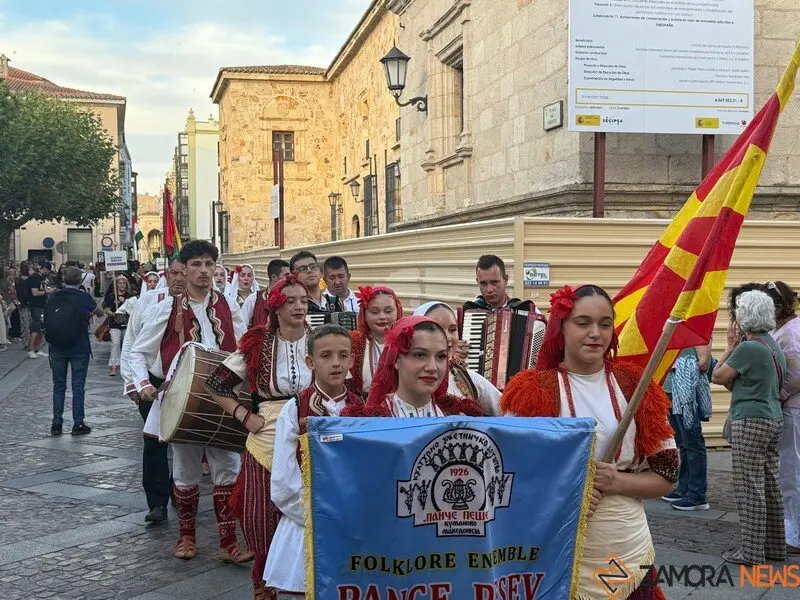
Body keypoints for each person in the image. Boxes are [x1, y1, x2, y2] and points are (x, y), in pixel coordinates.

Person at [501, 284, 677, 599]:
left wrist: (616, 482)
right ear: (562, 328)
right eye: (583, 323)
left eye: (604, 323)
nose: (595, 333)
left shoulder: (635, 385)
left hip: (625, 550)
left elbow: (667, 476)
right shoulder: (533, 392)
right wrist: (571, 488)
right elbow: (509, 478)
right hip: (557, 551)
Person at [129, 240, 250, 563]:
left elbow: (244, 346)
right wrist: (142, 384)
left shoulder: (228, 306)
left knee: (228, 469)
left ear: (216, 268)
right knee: (186, 470)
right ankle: (186, 537)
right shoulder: (165, 309)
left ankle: (228, 542)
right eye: (196, 265)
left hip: (223, 400)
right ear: (184, 269)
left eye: (209, 265)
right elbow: (138, 352)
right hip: (183, 401)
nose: (203, 271)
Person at [205, 272, 313, 600]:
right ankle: (263, 588)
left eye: (304, 300)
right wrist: (243, 415)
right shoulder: (258, 343)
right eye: (290, 301)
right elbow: (216, 385)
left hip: (312, 437)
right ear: (276, 306)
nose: (299, 306)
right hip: (266, 437)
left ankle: (310, 583)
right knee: (259, 518)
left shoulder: (320, 338)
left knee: (310, 515)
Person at [262, 324, 363, 598]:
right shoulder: (294, 408)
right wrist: (318, 516)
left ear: (352, 360)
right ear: (310, 361)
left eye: (343, 356)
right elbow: (283, 480)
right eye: (326, 355)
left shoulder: (363, 409)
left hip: (352, 521)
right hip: (306, 522)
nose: (335, 363)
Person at [713, 289, 787, 565]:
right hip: (772, 417)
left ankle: (752, 551)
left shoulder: (748, 348)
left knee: (749, 486)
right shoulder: (770, 344)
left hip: (751, 420)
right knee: (769, 484)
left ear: (744, 316)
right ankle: (775, 547)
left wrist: (729, 347)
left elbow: (718, 376)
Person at [120, 258, 185, 524]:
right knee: (154, 443)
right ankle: (157, 501)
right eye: (175, 273)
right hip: (153, 381)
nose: (179, 278)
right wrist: (133, 382)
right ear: (166, 275)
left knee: (184, 445)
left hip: (183, 382)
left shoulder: (199, 306)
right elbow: (132, 342)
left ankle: (182, 494)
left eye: (184, 272)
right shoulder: (148, 302)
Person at [341, 316, 484, 418]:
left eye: (441, 356)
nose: (432, 367)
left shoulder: (457, 417)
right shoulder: (372, 423)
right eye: (420, 355)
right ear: (396, 359)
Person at [413, 301, 501, 415]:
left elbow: (508, 411)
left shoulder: (466, 377)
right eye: (436, 329)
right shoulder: (405, 381)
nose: (448, 338)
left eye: (453, 329)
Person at [48, 267, 106, 436]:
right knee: (78, 386)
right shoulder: (83, 296)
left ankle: (56, 424)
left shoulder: (54, 295)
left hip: (57, 347)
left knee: (58, 386)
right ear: (80, 280)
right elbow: (99, 313)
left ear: (63, 280)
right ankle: (78, 423)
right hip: (79, 347)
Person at [765, 281, 800, 556]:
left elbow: (796, 374)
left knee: (791, 471)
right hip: (792, 408)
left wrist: (778, 394)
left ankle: (796, 534)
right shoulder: (788, 330)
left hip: (793, 409)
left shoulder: (790, 334)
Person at [661, 344, 713, 511]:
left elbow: (704, 363)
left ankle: (697, 495)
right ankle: (684, 487)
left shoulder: (696, 328)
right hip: (671, 392)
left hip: (685, 394)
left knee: (693, 444)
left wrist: (681, 368)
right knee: (683, 444)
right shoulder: (675, 325)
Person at [348, 286, 402, 397]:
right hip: (364, 408)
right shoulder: (354, 342)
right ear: (364, 314)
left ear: (398, 311)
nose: (382, 317)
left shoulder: (407, 341)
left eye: (388, 311)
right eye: (375, 312)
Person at [462, 254, 538, 313]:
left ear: (506, 279)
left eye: (494, 282)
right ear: (477, 282)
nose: (489, 290)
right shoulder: (467, 311)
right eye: (483, 283)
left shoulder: (528, 309)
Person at [104, 276, 133, 376]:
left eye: (123, 283)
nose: (122, 285)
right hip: (114, 324)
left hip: (127, 323)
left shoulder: (130, 296)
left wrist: (125, 301)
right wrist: (112, 313)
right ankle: (114, 366)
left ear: (126, 285)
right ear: (116, 285)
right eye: (120, 283)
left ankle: (127, 365)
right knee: (115, 344)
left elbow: (134, 309)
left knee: (126, 345)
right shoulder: (111, 296)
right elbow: (106, 309)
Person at [27, 261, 54, 359]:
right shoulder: (35, 278)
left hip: (42, 305)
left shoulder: (42, 278)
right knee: (36, 327)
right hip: (35, 305)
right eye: (47, 270)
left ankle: (37, 349)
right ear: (42, 269)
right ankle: (30, 350)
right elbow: (34, 293)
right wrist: (47, 291)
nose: (48, 272)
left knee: (41, 328)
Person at [15, 262, 32, 349]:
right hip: (28, 303)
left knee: (25, 323)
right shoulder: (29, 278)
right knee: (28, 323)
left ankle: (26, 342)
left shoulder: (18, 279)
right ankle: (28, 343)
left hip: (22, 304)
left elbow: (18, 292)